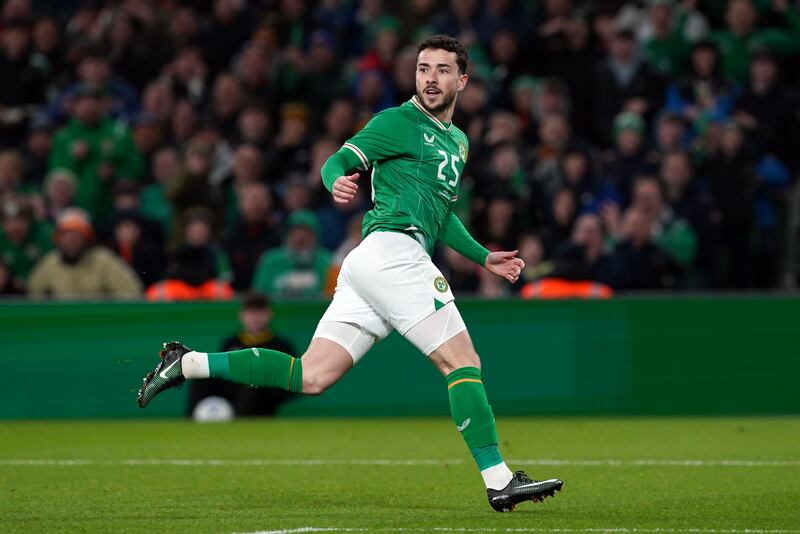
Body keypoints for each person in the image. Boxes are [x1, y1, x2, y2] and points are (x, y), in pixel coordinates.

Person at [136, 35, 562, 512]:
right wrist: (333, 179)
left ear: (463, 79)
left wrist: (484, 256)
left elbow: (441, 214)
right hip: (393, 254)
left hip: (373, 265)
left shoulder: (458, 142)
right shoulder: (398, 121)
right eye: (423, 68)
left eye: (443, 70)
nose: (430, 78)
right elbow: (339, 158)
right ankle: (499, 479)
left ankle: (187, 363)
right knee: (462, 364)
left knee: (312, 375)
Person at [188, 292, 297, 417]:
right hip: (233, 389)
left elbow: (290, 381)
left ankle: (241, 422)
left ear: (269, 314)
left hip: (263, 394)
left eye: (260, 312)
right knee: (200, 377)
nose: (255, 317)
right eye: (251, 312)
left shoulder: (281, 345)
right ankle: (193, 420)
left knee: (252, 380)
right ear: (242, 315)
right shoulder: (231, 342)